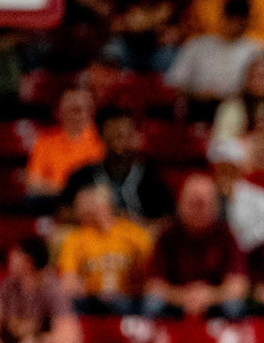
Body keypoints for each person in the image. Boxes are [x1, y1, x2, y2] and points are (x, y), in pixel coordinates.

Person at [142, 174, 249, 320]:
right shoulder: (167, 236)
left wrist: (209, 296)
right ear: (180, 204)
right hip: (176, 303)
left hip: (214, 304)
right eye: (192, 203)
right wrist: (183, 296)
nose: (198, 210)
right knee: (152, 304)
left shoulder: (226, 236)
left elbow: (239, 286)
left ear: (216, 206)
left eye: (203, 204)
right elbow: (152, 285)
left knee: (234, 306)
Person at [57, 183, 154, 314]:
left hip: (130, 299)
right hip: (92, 301)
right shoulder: (75, 238)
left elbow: (151, 275)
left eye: (88, 203)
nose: (81, 209)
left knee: (153, 303)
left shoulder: (133, 233)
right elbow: (69, 279)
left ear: (105, 204)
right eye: (79, 205)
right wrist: (80, 289)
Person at [165, 0, 264, 115]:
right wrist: (196, 93)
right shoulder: (197, 44)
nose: (236, 24)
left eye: (241, 20)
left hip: (238, 110)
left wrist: (231, 96)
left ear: (248, 21)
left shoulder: (256, 49)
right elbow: (175, 82)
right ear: (223, 17)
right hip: (197, 106)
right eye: (232, 19)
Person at [71, 111, 175, 223]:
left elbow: (169, 220)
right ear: (100, 138)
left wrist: (136, 223)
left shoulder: (152, 176)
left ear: (135, 137)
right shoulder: (82, 176)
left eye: (124, 137)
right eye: (113, 137)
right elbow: (62, 213)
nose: (118, 146)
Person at [26, 88, 106, 199]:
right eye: (73, 110)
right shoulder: (45, 141)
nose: (79, 115)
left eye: (84, 109)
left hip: (93, 204)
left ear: (92, 111)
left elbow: (106, 185)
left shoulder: (103, 141)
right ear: (59, 112)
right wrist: (69, 192)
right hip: (54, 203)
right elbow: (34, 183)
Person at [207, 137, 264, 253]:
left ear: (239, 169)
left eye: (230, 168)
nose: (225, 174)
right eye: (220, 168)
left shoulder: (262, 198)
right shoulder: (203, 196)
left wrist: (236, 246)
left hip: (251, 257)